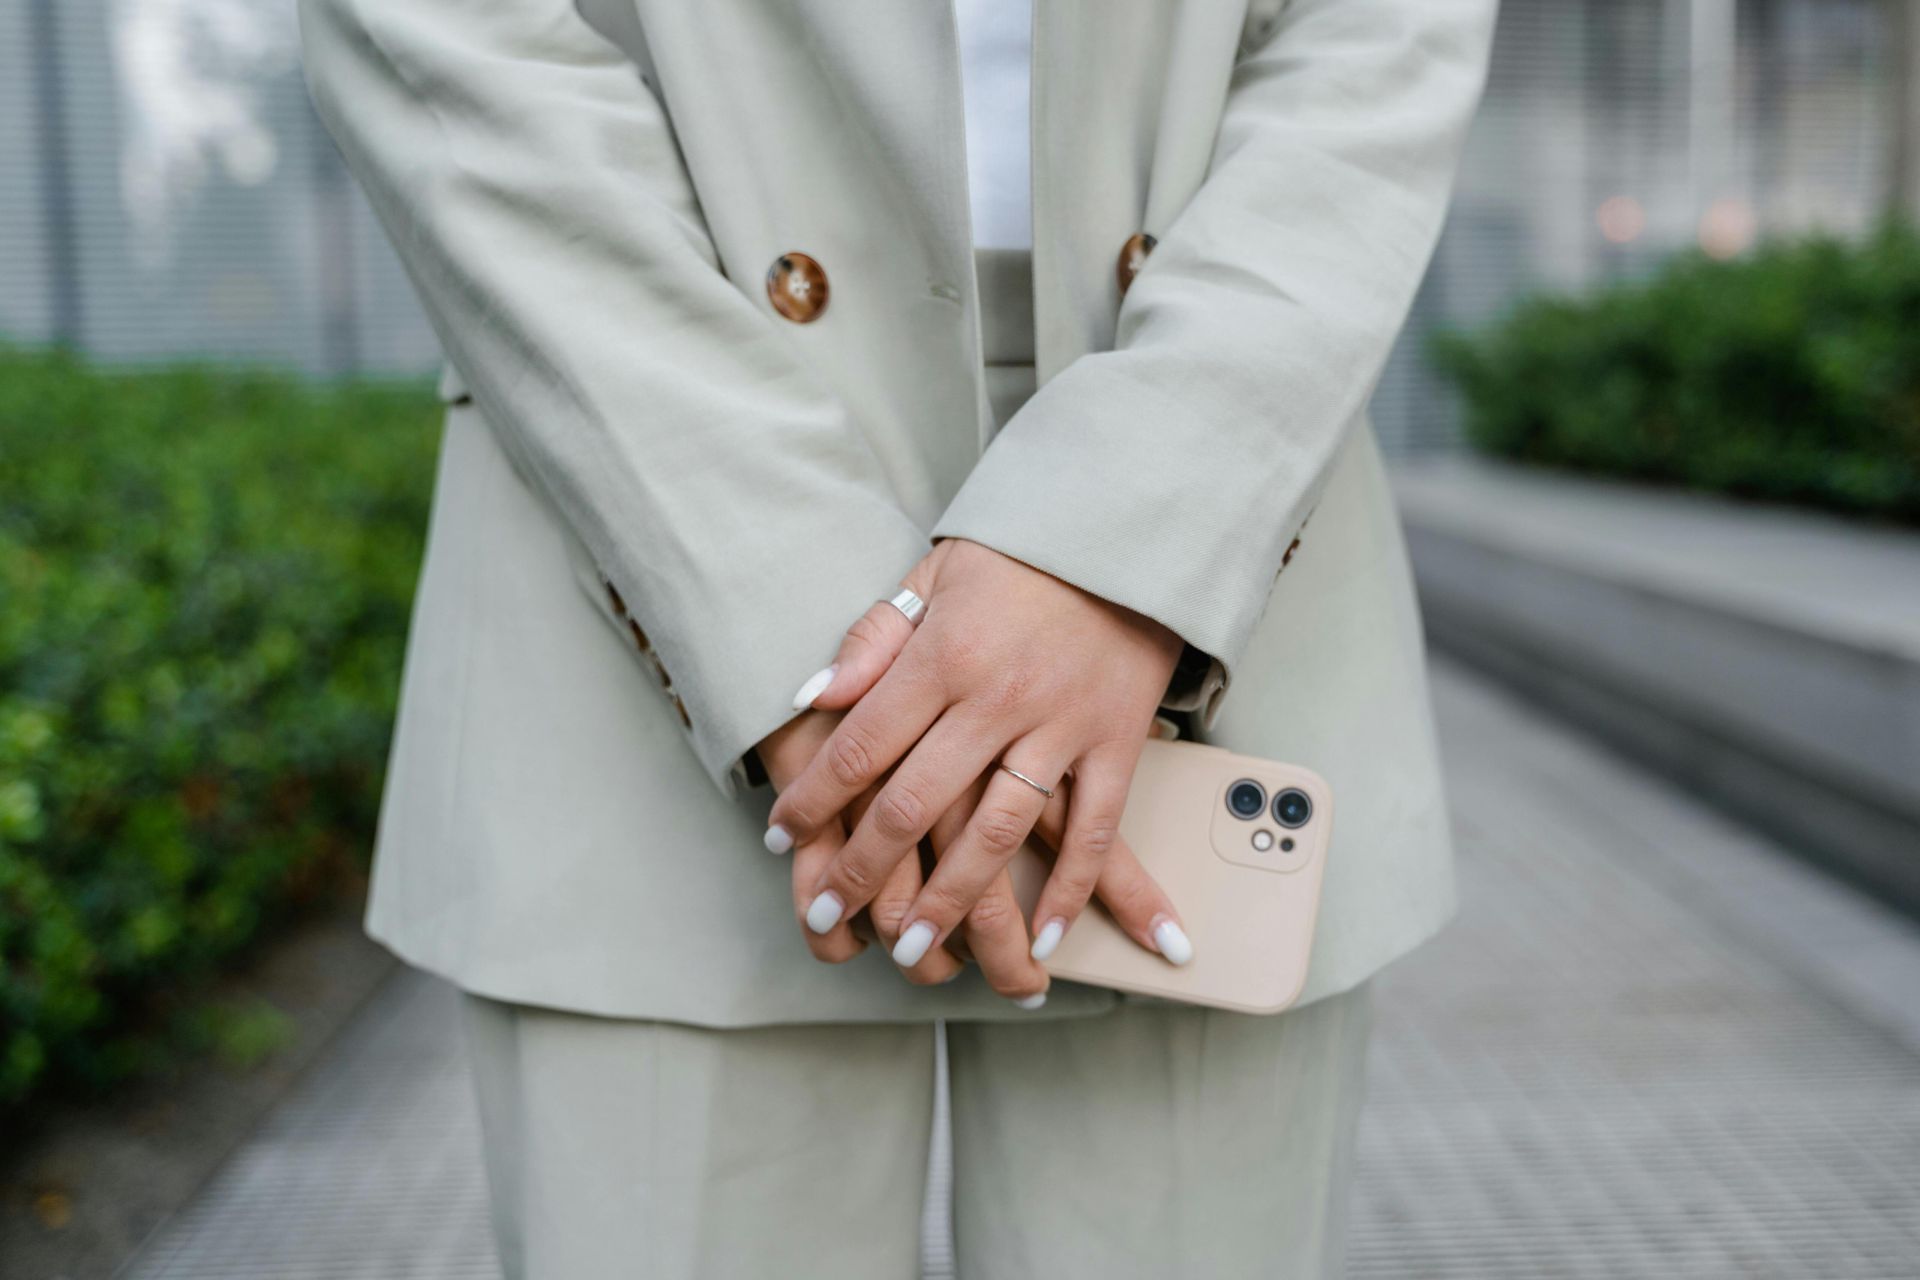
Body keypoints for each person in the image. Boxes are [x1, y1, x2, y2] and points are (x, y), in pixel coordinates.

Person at [299, 0, 1495, 1275]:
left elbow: (1373, 39)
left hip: (1209, 465)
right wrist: (777, 597)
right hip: (642, 488)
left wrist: (1122, 545)